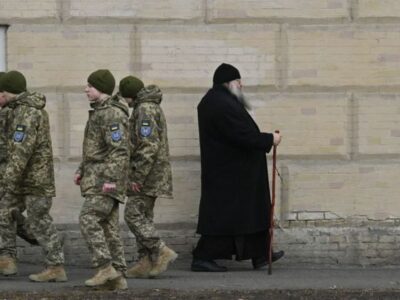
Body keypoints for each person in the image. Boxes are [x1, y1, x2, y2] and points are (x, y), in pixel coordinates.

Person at [192, 63, 284, 272]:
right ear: (230, 83)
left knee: (249, 214)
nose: (241, 87)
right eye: (239, 83)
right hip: (230, 174)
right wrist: (270, 139)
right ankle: (202, 257)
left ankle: (260, 254)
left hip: (235, 172)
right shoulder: (221, 104)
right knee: (226, 218)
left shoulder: (218, 101)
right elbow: (241, 134)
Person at [0, 70, 67, 281]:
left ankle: (56, 265)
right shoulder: (16, 110)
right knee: (4, 212)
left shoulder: (27, 112)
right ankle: (7, 260)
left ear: (4, 93)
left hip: (35, 179)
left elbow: (20, 150)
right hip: (21, 177)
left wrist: (6, 179)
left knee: (39, 220)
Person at [74, 69, 129, 289]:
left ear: (102, 88)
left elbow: (119, 151)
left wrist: (110, 182)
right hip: (96, 177)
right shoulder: (100, 112)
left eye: (90, 86)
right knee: (109, 227)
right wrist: (81, 169)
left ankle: (106, 268)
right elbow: (95, 149)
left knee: (87, 218)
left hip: (105, 181)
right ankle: (118, 276)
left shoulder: (111, 114)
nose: (86, 89)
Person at [119, 76, 177, 278]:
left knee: (132, 215)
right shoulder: (148, 106)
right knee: (144, 218)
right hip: (151, 174)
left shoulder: (144, 109)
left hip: (148, 176)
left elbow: (148, 146)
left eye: (125, 98)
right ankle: (145, 261)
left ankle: (161, 250)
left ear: (130, 96)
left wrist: (137, 177)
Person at [0, 72, 39, 247]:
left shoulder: (14, 112)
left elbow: (15, 147)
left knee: (6, 210)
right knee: (7, 211)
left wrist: (9, 176)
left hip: (13, 172)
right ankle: (40, 237)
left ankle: (42, 238)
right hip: (9, 170)